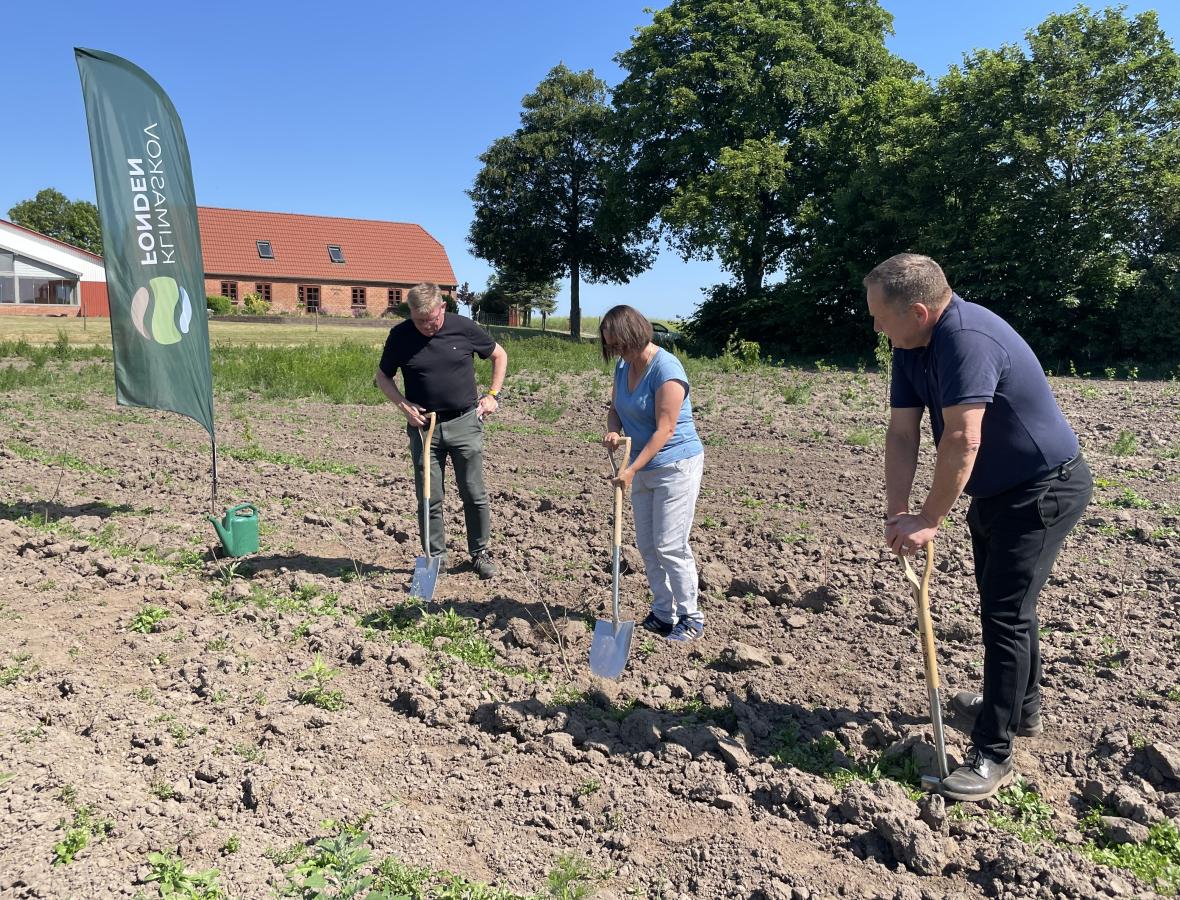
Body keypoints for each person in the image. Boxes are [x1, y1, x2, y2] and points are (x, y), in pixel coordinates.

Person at [866, 253, 1092, 802]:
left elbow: (963, 439)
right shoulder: (910, 348)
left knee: (1004, 616)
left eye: (880, 315)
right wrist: (901, 513)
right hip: (994, 492)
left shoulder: (965, 341)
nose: (874, 325)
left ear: (918, 311)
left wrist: (928, 517)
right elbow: (902, 434)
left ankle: (994, 753)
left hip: (1042, 490)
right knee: (1009, 608)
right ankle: (1023, 710)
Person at [375, 282, 508, 580]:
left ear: (442, 308)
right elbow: (383, 376)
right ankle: (435, 557)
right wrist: (403, 405)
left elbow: (500, 355)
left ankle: (479, 552)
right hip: (424, 427)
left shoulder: (464, 328)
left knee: (473, 492)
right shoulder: (400, 336)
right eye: (418, 320)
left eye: (430, 319)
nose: (425, 326)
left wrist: (493, 395)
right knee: (429, 496)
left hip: (464, 422)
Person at [600, 305, 706, 642]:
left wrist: (630, 469)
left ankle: (691, 617)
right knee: (647, 544)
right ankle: (663, 612)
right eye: (611, 346)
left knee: (670, 544)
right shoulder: (622, 367)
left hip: (675, 465)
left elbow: (666, 429)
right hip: (641, 465)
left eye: (619, 344)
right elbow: (615, 409)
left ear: (634, 335)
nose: (616, 351)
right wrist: (613, 432)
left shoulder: (666, 368)